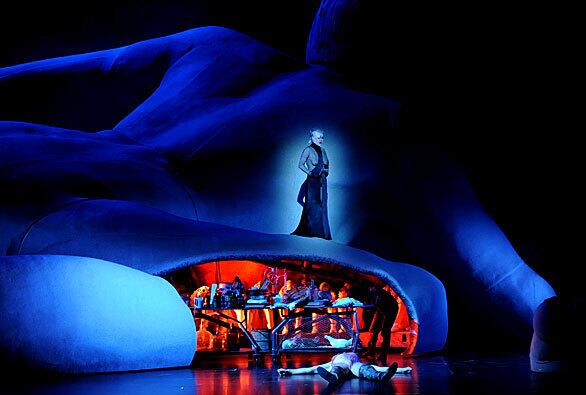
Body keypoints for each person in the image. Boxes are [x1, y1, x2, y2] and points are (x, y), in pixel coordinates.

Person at [291, 129, 332, 240]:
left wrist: (325, 172)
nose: (321, 139)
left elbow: (327, 166)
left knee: (323, 206)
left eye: (322, 137)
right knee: (314, 205)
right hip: (312, 182)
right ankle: (312, 232)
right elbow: (300, 164)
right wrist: (310, 173)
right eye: (318, 137)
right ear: (312, 137)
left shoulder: (323, 151)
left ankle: (323, 234)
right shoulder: (308, 150)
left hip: (322, 182)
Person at [277, 351, 411, 384]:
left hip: (354, 366)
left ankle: (381, 377)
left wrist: (401, 370)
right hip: (343, 366)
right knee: (338, 368)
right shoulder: (334, 360)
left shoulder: (353, 356)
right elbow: (310, 369)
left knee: (367, 369)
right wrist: (289, 371)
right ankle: (334, 376)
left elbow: (379, 367)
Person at [363, 286, 399, 359]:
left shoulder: (375, 291)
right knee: (375, 330)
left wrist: (369, 308)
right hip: (381, 308)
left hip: (391, 308)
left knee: (385, 331)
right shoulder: (370, 294)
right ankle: (371, 350)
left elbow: (375, 305)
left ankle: (383, 354)